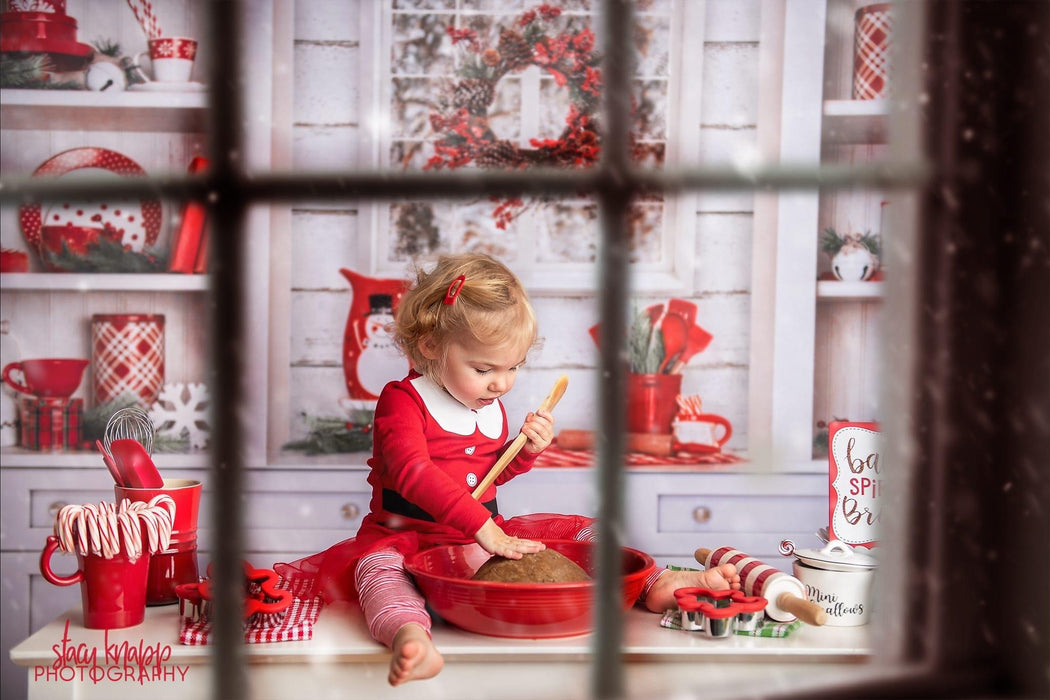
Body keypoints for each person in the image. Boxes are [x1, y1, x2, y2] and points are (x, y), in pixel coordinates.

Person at [276, 253, 740, 686]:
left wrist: (525, 453)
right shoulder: (403, 400)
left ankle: (656, 584)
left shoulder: (488, 403)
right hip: (405, 537)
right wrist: (483, 527)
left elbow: (485, 477)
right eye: (483, 368)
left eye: (513, 366)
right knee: (379, 572)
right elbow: (412, 474)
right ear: (431, 345)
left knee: (584, 531)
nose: (500, 383)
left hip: (479, 539)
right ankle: (409, 637)